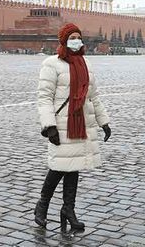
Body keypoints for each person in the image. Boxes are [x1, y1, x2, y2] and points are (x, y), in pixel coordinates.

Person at [35, 23, 112, 232]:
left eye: (78, 37)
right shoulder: (52, 64)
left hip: (81, 124)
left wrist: (103, 122)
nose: (76, 40)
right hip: (62, 124)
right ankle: (42, 206)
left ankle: (68, 210)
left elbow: (93, 97)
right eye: (72, 37)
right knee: (58, 168)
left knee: (73, 168)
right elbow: (44, 98)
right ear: (63, 40)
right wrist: (49, 126)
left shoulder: (86, 63)